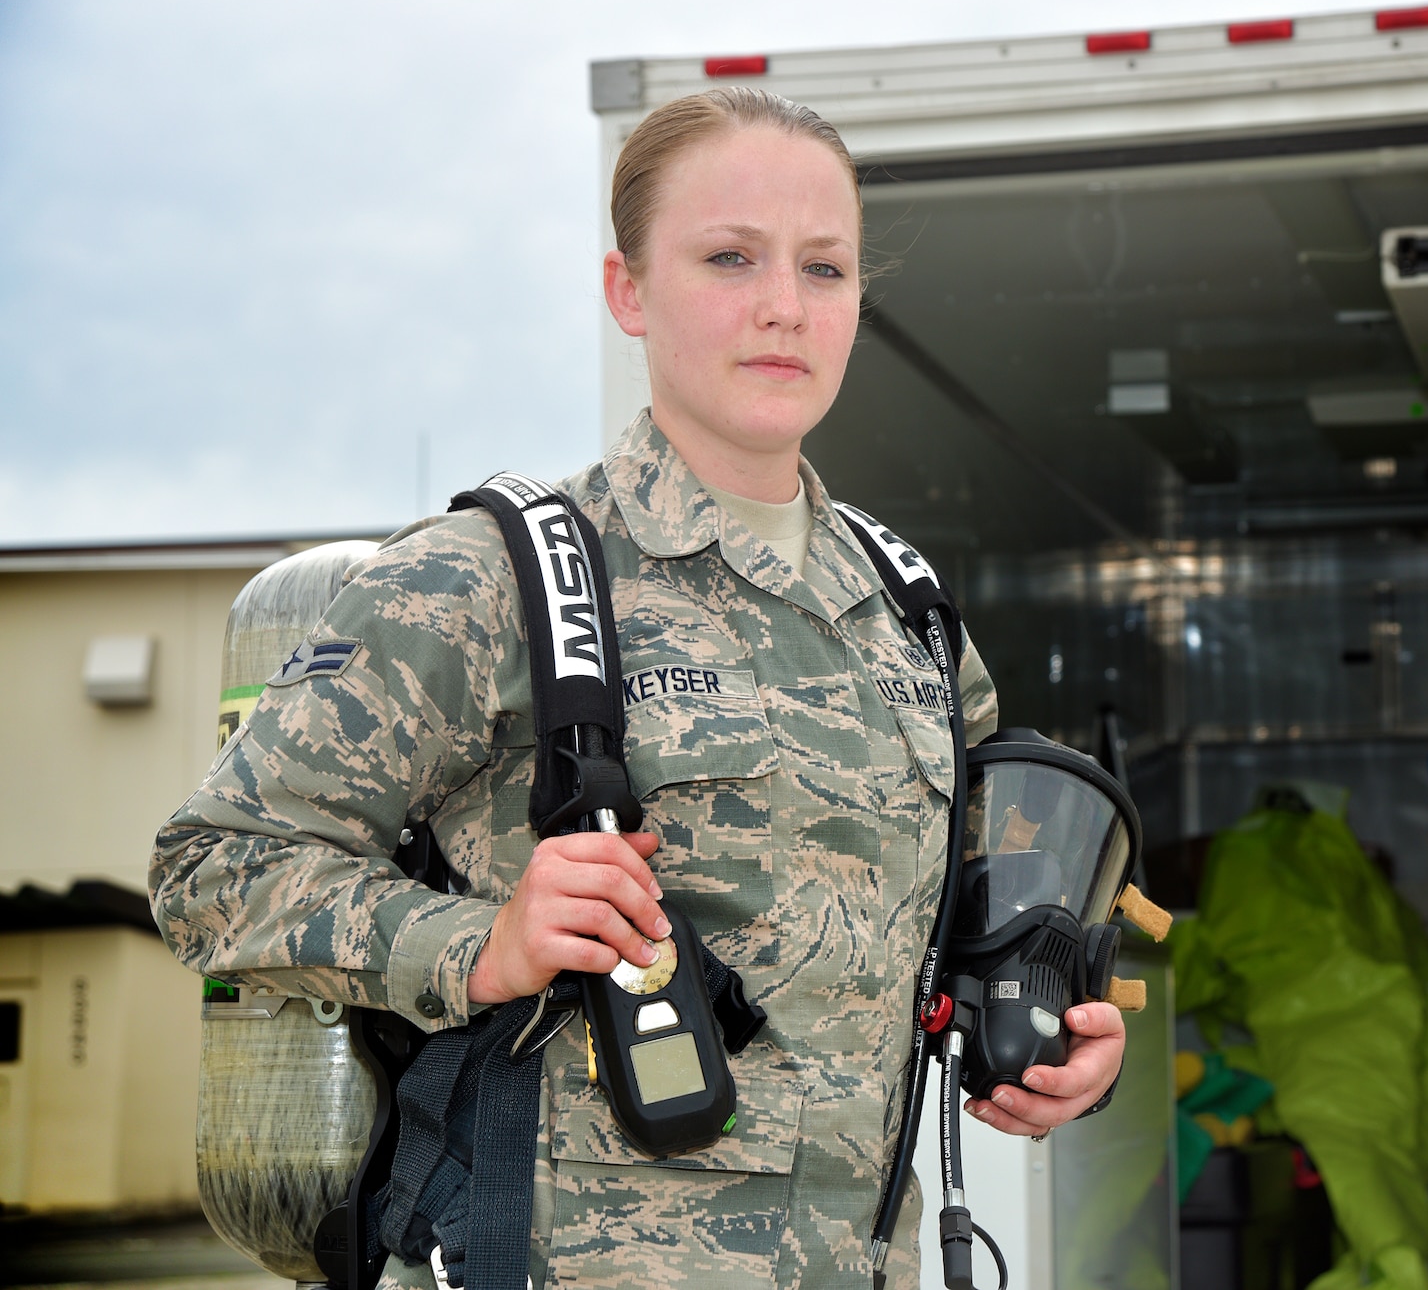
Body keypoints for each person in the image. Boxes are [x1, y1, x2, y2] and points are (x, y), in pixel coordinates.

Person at [152, 86, 1126, 1290]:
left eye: (824, 269)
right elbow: (213, 867)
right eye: (729, 258)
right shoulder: (491, 580)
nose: (782, 306)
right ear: (628, 291)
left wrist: (1062, 1049)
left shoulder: (909, 615)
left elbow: (979, 917)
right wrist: (484, 946)